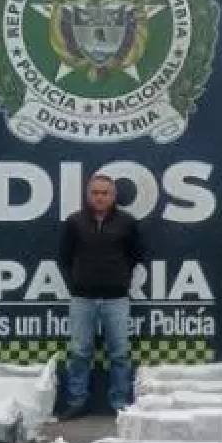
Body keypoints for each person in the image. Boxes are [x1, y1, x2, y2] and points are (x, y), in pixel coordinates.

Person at [57, 173, 146, 417]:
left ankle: (120, 403)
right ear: (88, 195)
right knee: (79, 353)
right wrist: (77, 282)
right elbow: (64, 258)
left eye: (104, 193)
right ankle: (77, 402)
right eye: (95, 193)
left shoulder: (127, 222)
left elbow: (137, 255)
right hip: (82, 298)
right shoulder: (74, 222)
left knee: (119, 354)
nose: (99, 197)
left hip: (116, 299)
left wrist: (120, 278)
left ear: (113, 195)